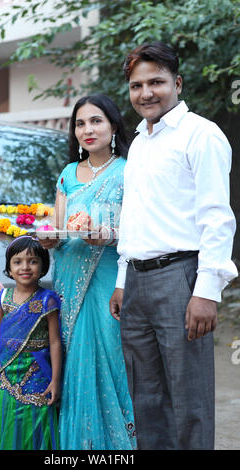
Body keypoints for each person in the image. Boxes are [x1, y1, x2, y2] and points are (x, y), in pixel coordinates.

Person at [110, 42, 238, 450]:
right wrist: (121, 278)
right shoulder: (142, 142)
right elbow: (135, 217)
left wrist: (206, 291)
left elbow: (217, 217)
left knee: (189, 402)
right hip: (137, 283)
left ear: (177, 83)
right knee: (145, 399)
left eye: (156, 82)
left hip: (181, 280)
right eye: (136, 85)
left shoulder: (201, 135)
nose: (146, 93)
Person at [39, 94, 136, 450]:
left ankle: (120, 445)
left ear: (113, 125)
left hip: (110, 279)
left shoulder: (129, 170)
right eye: (80, 123)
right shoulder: (68, 174)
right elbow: (59, 227)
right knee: (76, 358)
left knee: (110, 356)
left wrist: (107, 236)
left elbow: (140, 232)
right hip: (69, 278)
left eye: (96, 121)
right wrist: (49, 240)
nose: (87, 130)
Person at [0, 235, 62, 450]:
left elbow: (55, 342)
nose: (25, 267)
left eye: (33, 261)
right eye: (18, 262)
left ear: (43, 267)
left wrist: (55, 380)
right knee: (8, 421)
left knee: (35, 422)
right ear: (9, 268)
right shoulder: (3, 297)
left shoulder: (48, 300)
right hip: (8, 373)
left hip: (37, 372)